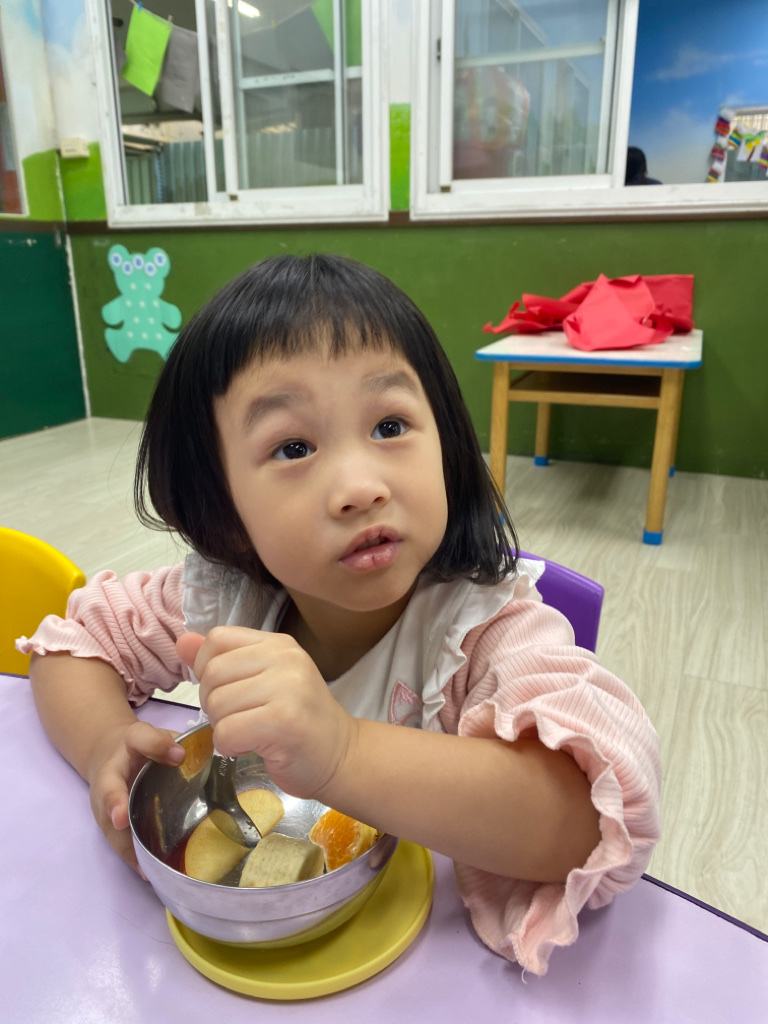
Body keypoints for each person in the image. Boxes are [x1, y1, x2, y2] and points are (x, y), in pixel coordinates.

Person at [19, 254, 660, 976]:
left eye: (390, 425)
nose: (360, 486)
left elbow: (594, 820)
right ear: (225, 512)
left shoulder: (481, 629)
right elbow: (72, 645)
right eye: (293, 447)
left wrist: (344, 752)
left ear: (448, 448)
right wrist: (106, 743)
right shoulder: (225, 600)